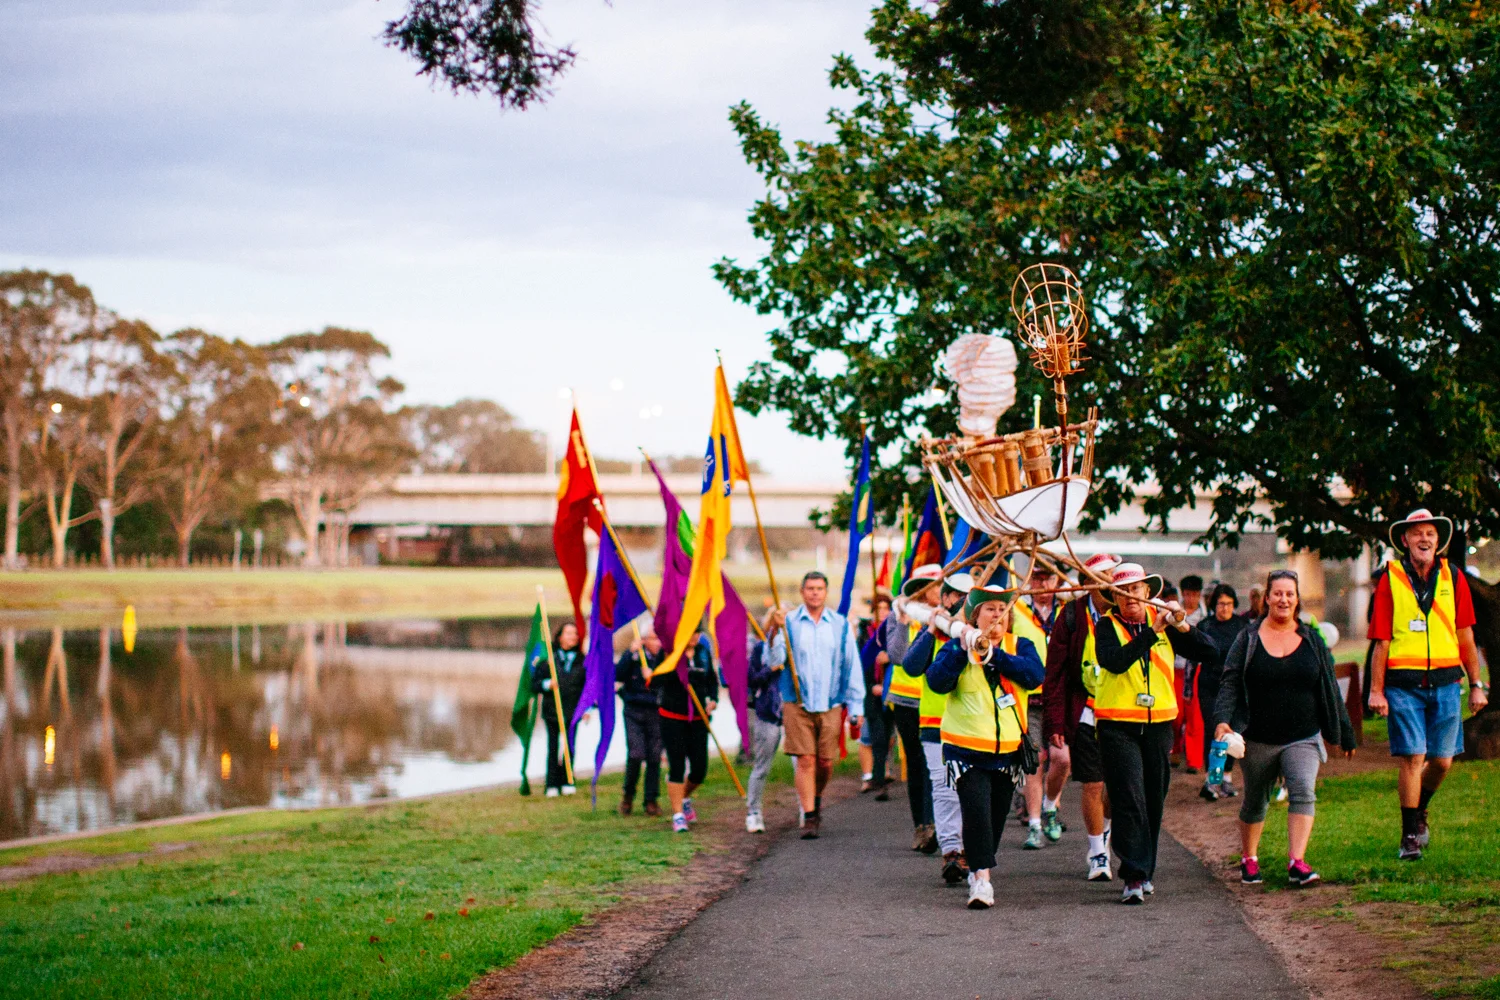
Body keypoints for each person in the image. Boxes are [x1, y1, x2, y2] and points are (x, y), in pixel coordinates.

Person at [1213, 570, 1357, 887]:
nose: (1283, 599)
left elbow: (1330, 687)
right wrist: (1223, 720)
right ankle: (1249, 858)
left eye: (1289, 594)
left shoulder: (1311, 640)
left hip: (1303, 735)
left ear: (1297, 599)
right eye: (1277, 593)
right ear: (1266, 599)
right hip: (1258, 738)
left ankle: (1297, 862)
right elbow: (1230, 683)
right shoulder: (1247, 639)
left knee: (1303, 790)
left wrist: (1344, 731)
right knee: (1255, 801)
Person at [1366, 509, 1489, 860]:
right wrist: (1376, 690)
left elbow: (1465, 633)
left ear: (1438, 540)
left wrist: (1477, 683)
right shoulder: (1390, 579)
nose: (1424, 539)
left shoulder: (1454, 577)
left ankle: (1420, 810)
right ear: (1404, 540)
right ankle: (1408, 836)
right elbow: (1381, 640)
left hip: (1447, 681)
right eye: (1417, 533)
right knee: (1413, 755)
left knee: (1443, 761)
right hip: (1402, 683)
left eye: (1430, 534)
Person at [1094, 563, 1218, 903]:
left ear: (1149, 594)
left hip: (1159, 723)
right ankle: (1132, 875)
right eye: (1123, 592)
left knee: (1153, 796)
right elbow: (1114, 662)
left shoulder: (1165, 623)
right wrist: (1153, 633)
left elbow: (1210, 652)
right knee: (1128, 796)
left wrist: (1183, 625)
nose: (1130, 597)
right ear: (1115, 599)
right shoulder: (1106, 626)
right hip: (1117, 724)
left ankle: (1145, 870)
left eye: (1136, 590)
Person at [926, 585, 1046, 909]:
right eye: (990, 609)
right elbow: (936, 682)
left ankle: (978, 864)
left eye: (1002, 610)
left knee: (995, 816)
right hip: (965, 750)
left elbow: (1034, 675)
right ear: (975, 615)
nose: (997, 616)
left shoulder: (1021, 645)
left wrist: (995, 656)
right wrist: (962, 650)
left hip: (1008, 752)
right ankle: (981, 879)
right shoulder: (955, 645)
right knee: (976, 812)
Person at [769, 571, 865, 840]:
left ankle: (817, 795)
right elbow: (773, 661)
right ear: (802, 592)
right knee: (806, 759)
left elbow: (851, 665)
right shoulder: (788, 622)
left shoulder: (840, 625)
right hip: (797, 702)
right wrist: (775, 630)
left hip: (830, 701)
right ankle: (809, 815)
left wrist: (856, 706)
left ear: (825, 592)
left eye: (819, 588)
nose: (814, 593)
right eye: (810, 588)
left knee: (825, 761)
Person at [1043, 552, 1121, 881]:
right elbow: (1056, 673)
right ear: (1087, 584)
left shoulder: (1127, 611)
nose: (1109, 585)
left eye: (1112, 577)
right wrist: (1056, 723)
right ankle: (1098, 853)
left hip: (1122, 713)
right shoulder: (1071, 616)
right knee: (1093, 783)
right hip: (1085, 712)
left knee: (1116, 789)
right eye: (1101, 578)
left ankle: (1104, 832)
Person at [903, 572, 975, 877]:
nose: (962, 604)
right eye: (957, 597)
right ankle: (951, 852)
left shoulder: (979, 630)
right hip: (935, 724)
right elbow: (911, 665)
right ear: (945, 598)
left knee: (971, 792)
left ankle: (973, 851)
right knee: (944, 790)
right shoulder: (927, 628)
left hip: (974, 725)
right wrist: (932, 629)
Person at [872, 564, 942, 856]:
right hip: (907, 702)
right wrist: (901, 621)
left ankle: (942, 824)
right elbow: (898, 655)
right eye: (934, 586)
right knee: (917, 764)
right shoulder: (900, 615)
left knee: (939, 766)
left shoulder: (950, 617)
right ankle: (922, 826)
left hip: (939, 701)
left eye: (940, 586)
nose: (939, 591)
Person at [655, 631, 719, 833]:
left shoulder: (703, 652)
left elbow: (711, 680)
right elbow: (656, 683)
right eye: (691, 631)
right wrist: (667, 665)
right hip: (673, 717)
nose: (695, 636)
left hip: (699, 719)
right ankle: (678, 815)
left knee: (699, 770)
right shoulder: (669, 652)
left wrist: (713, 699)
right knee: (677, 766)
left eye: (698, 632)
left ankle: (682, 796)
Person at [1012, 564, 1057, 850]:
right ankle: (1035, 825)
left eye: (1047, 577)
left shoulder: (1068, 609)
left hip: (1061, 697)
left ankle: (1051, 805)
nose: (1041, 584)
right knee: (1034, 761)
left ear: (1057, 580)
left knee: (1063, 759)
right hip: (1030, 697)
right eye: (1036, 578)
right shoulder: (1018, 610)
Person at [1195, 583, 1247, 800]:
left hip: (1234, 687)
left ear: (1234, 604)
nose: (1224, 608)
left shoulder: (1242, 627)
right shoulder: (1205, 626)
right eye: (1220, 604)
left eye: (1228, 604)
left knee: (1232, 732)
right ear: (1213, 605)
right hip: (1210, 685)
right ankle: (1212, 780)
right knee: (1213, 731)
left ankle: (1226, 778)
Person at [531, 620, 585, 796]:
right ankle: (551, 783)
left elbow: (587, 686)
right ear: (560, 637)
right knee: (553, 747)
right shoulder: (548, 660)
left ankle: (568, 780)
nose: (573, 637)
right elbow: (535, 684)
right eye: (569, 633)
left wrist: (588, 708)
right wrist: (547, 684)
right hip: (552, 711)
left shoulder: (582, 660)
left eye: (575, 634)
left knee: (570, 746)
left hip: (573, 710)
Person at [615, 630, 664, 817]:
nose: (657, 642)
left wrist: (654, 675)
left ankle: (651, 799)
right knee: (636, 754)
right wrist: (629, 653)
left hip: (656, 711)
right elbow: (618, 675)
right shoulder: (635, 656)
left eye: (659, 638)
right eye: (653, 638)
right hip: (634, 710)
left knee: (654, 756)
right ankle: (628, 795)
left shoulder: (665, 657)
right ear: (643, 640)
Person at [744, 608, 784, 833]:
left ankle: (806, 811)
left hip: (794, 712)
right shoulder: (761, 648)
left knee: (803, 764)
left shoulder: (797, 648)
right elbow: (752, 679)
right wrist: (771, 669)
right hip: (768, 711)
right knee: (762, 765)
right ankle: (753, 811)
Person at [859, 591, 896, 796]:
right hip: (872, 695)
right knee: (878, 737)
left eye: (886, 608)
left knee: (889, 736)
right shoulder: (867, 634)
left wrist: (888, 657)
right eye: (878, 609)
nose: (882, 612)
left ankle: (881, 773)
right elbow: (861, 663)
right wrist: (871, 685)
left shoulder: (894, 631)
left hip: (890, 693)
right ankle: (879, 782)